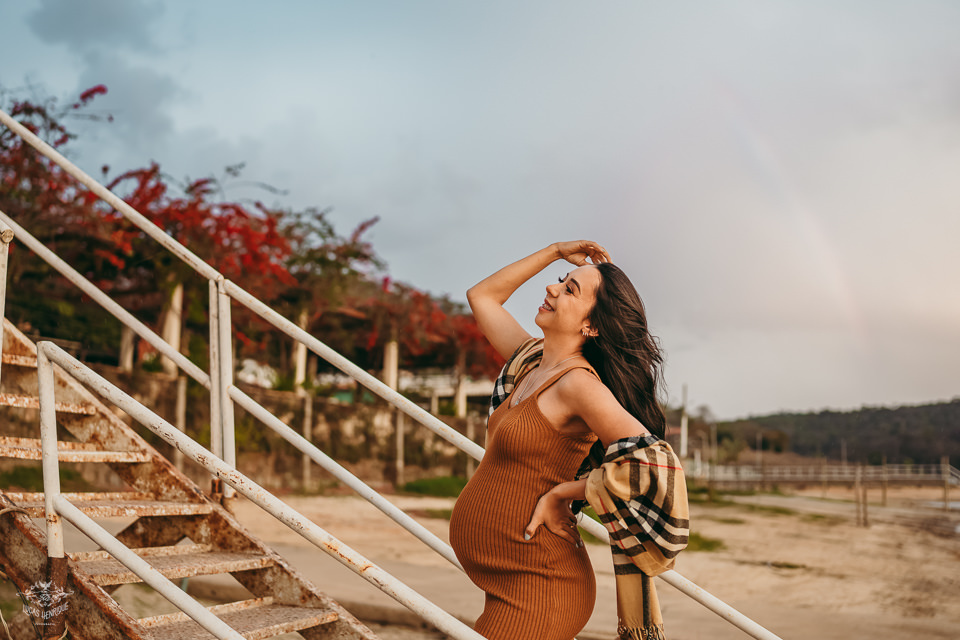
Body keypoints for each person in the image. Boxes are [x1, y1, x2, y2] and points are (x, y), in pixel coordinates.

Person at [449, 241, 687, 640]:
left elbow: (652, 465)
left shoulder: (579, 385)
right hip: (507, 580)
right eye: (561, 280)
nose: (552, 288)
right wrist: (556, 251)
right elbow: (482, 296)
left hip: (541, 587)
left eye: (570, 289)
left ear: (591, 326)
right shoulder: (530, 363)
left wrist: (566, 493)